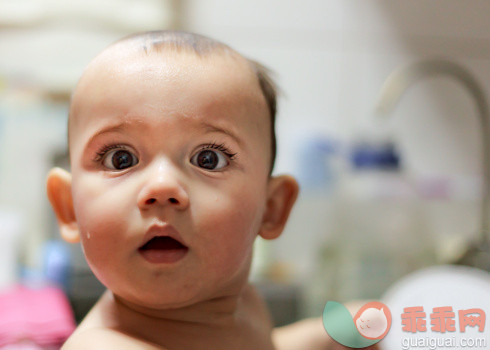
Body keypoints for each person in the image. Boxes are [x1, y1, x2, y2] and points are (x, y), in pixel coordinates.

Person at [46, 30, 371, 350]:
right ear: (69, 208)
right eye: (121, 159)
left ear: (271, 208)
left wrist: (323, 336)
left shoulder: (240, 306)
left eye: (208, 159)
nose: (161, 187)